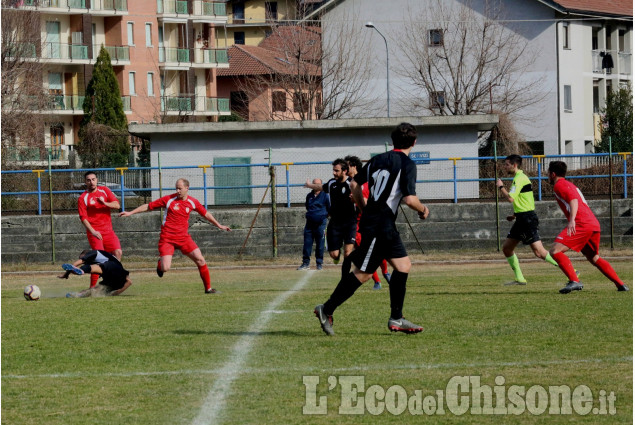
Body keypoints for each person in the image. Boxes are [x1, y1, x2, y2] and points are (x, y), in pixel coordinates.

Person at [314, 123, 430, 336]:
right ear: (414, 142)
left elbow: (354, 185)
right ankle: (326, 308)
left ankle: (397, 317)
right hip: (380, 224)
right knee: (364, 273)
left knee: (403, 265)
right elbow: (410, 199)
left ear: (393, 140)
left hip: (380, 222)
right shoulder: (407, 164)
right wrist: (423, 210)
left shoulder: (378, 159)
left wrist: (363, 207)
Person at [119, 178, 231, 294]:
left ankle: (208, 289)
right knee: (165, 268)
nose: (177, 191)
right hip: (167, 238)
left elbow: (205, 213)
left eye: (180, 188)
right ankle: (160, 264)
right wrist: (130, 213)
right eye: (176, 188)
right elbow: (148, 206)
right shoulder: (169, 199)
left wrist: (219, 225)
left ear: (187, 188)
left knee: (201, 260)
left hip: (183, 238)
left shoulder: (193, 202)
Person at [547, 161, 629, 294]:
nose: (547, 176)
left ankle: (575, 281)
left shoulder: (560, 185)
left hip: (582, 223)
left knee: (555, 251)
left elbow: (573, 200)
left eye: (548, 174)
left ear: (553, 174)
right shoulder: (569, 184)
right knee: (594, 258)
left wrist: (572, 220)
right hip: (592, 223)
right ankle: (620, 284)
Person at [496, 154, 561, 285]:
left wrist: (500, 187)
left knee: (540, 252)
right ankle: (519, 278)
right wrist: (515, 215)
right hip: (522, 218)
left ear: (514, 165)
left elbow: (510, 198)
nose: (504, 166)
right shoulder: (521, 178)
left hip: (527, 219)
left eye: (507, 164)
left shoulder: (519, 179)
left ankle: (570, 270)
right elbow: (525, 201)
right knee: (507, 248)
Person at [345, 155, 391, 290]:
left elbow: (367, 203)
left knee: (370, 252)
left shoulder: (363, 184)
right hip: (355, 222)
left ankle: (383, 275)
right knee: (368, 252)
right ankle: (380, 278)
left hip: (364, 224)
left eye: (347, 166)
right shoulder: (350, 183)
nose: (345, 169)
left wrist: (356, 199)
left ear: (354, 167)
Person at [305, 159, 357, 266]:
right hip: (335, 223)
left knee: (348, 253)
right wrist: (310, 185)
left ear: (344, 171)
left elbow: (362, 196)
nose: (334, 173)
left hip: (350, 222)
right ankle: (337, 256)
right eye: (333, 170)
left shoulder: (351, 183)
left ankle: (345, 277)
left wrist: (355, 198)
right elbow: (321, 187)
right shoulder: (331, 183)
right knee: (334, 254)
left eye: (336, 171)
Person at [78, 171, 123, 289]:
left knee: (118, 252)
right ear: (85, 182)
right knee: (99, 259)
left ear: (97, 180)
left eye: (93, 179)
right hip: (95, 233)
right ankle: (92, 288)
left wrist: (105, 203)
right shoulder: (83, 197)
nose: (91, 182)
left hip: (108, 231)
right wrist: (93, 231)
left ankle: (111, 280)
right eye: (88, 180)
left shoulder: (105, 191)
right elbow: (83, 218)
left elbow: (117, 205)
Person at [59, 249, 132, 298]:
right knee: (96, 290)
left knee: (93, 267)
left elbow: (77, 263)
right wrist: (116, 293)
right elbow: (129, 282)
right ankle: (79, 294)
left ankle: (82, 270)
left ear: (86, 254)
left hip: (111, 266)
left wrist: (66, 274)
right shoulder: (110, 259)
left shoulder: (94, 252)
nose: (85, 260)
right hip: (118, 279)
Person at [298, 178, 330, 271]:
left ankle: (319, 263)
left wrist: (322, 216)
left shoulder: (325, 195)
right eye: (314, 184)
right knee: (307, 243)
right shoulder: (309, 196)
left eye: (318, 184)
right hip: (309, 224)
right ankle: (305, 263)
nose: (316, 186)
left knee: (320, 244)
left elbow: (329, 208)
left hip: (320, 224)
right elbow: (308, 207)